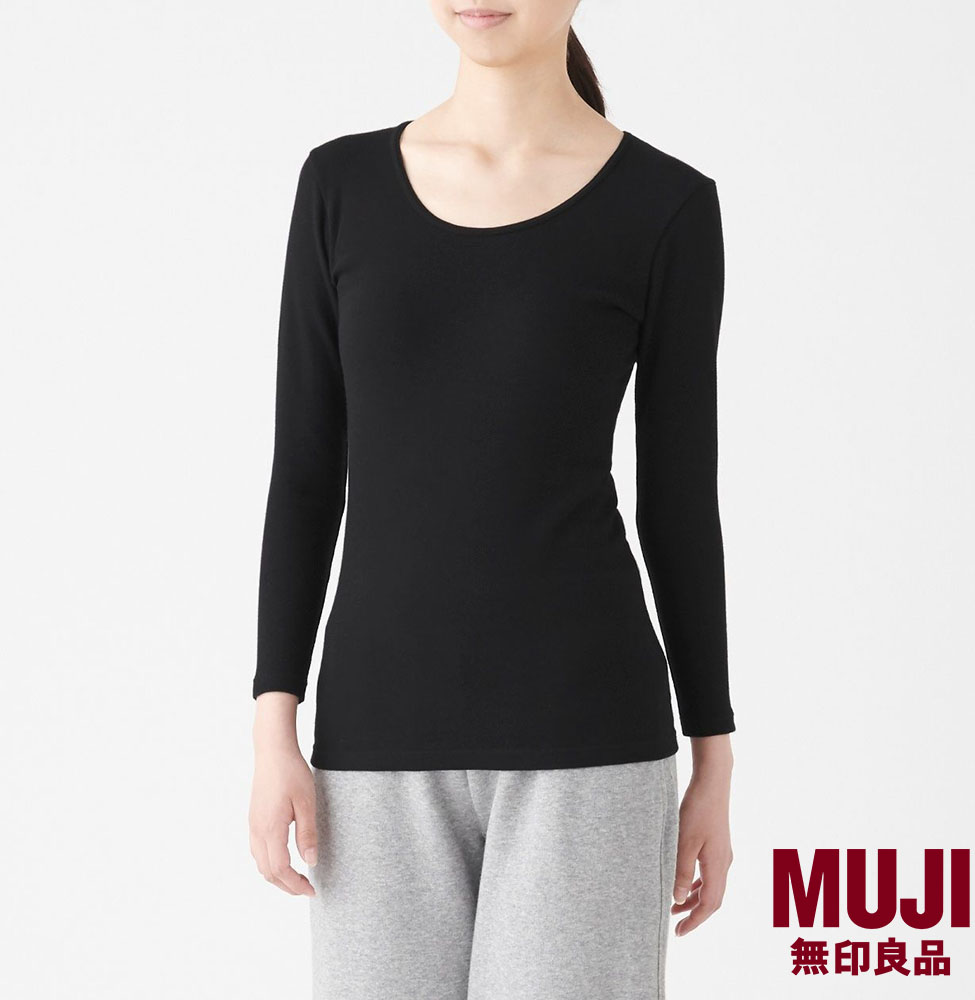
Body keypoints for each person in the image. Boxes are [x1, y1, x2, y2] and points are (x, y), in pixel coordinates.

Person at [249, 3, 736, 997]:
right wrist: (273, 727)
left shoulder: (667, 206)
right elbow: (304, 470)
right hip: (373, 745)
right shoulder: (339, 187)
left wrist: (713, 761)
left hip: (590, 746)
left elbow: (680, 503)